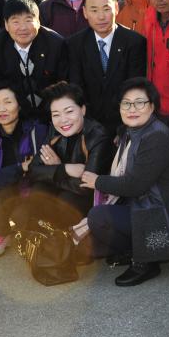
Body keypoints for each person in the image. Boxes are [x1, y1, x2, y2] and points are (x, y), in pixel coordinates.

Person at [82, 78, 169, 286]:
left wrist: (97, 181)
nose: (132, 109)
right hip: (143, 202)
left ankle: (146, 261)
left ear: (152, 106)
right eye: (126, 103)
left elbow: (134, 186)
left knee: (98, 216)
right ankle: (134, 250)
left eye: (140, 102)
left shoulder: (156, 136)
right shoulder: (132, 131)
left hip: (161, 211)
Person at [0, 86, 46, 257]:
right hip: (4, 194)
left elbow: (43, 169)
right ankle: (0, 233)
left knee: (22, 214)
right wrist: (20, 168)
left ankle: (34, 234)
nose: (1, 109)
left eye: (8, 102)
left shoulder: (37, 131)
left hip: (33, 190)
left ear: (19, 105)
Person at [35, 81, 115, 232]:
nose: (63, 120)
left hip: (92, 197)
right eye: (56, 115)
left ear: (83, 110)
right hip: (67, 185)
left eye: (69, 111)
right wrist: (64, 168)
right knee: (38, 191)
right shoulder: (55, 130)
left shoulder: (98, 136)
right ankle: (49, 234)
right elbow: (33, 169)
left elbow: (86, 187)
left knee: (67, 200)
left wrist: (55, 172)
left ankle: (68, 238)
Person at [67, 0, 147, 133]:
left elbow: (135, 86)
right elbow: (76, 86)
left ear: (116, 8)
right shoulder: (74, 44)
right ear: (85, 12)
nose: (101, 16)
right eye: (94, 10)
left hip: (126, 122)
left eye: (106, 8)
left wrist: (125, 127)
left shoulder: (134, 42)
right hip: (88, 125)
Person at [0, 0, 67, 121]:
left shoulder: (55, 44)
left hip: (51, 112)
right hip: (15, 113)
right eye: (15, 21)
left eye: (28, 20)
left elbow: (63, 84)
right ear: (6, 25)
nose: (23, 27)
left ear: (38, 21)